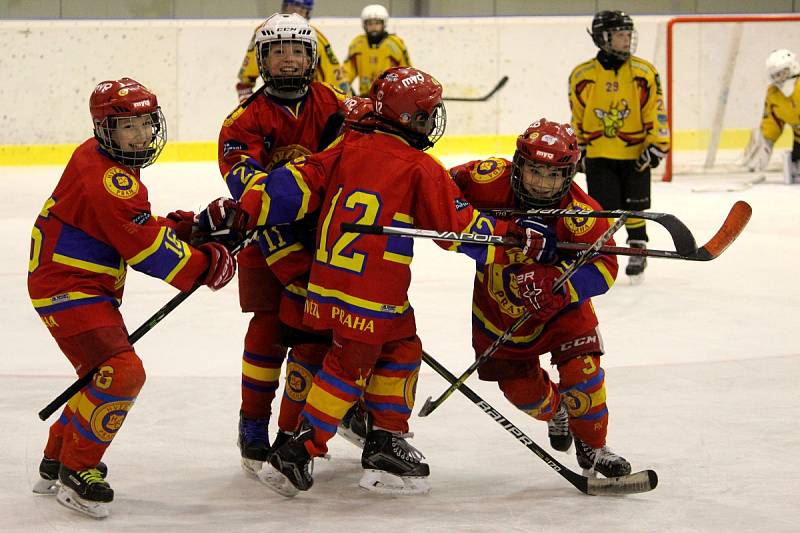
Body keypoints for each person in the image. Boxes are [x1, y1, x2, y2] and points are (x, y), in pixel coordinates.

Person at [233, 66, 557, 497]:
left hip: (327, 282)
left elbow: (295, 185)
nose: (432, 120)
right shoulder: (419, 166)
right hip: (371, 292)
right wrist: (514, 238)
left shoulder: (348, 145)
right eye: (428, 113)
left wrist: (239, 213)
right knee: (349, 365)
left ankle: (386, 441)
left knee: (403, 346)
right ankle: (297, 451)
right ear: (412, 119)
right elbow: (455, 228)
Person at [27, 78, 236, 518]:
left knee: (98, 373)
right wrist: (204, 264)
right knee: (121, 373)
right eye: (128, 125)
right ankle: (78, 469)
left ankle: (57, 457)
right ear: (106, 129)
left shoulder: (104, 163)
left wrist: (190, 227)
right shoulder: (108, 177)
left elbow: (128, 225)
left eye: (145, 122)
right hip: (68, 287)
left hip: (79, 284)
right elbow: (144, 248)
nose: (141, 134)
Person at [449, 118, 632, 479]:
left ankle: (594, 447)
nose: (541, 183)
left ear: (569, 175)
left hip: (561, 311)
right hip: (498, 312)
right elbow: (437, 190)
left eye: (553, 175)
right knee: (522, 393)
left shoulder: (581, 213)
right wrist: (481, 235)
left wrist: (559, 284)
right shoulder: (486, 179)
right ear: (518, 163)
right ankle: (558, 411)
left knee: (584, 371)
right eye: (534, 170)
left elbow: (606, 267)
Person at [218, 12, 347, 477]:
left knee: (326, 332)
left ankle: (322, 415)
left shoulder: (338, 105)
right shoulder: (242, 121)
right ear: (261, 59)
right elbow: (249, 189)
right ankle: (253, 420)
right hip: (265, 241)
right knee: (270, 330)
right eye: (276, 50)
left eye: (297, 50)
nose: (288, 59)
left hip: (325, 240)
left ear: (312, 57)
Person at [568, 10, 670, 282]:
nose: (627, 40)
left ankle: (638, 246)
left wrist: (658, 145)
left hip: (635, 153)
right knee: (604, 208)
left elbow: (656, 110)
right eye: (620, 35)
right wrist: (577, 149)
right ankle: (604, 252)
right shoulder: (582, 75)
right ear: (603, 37)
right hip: (599, 154)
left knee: (635, 206)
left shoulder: (644, 72)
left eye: (628, 34)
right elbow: (577, 116)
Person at [236, 0, 348, 102]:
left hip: (310, 105)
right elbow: (245, 80)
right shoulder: (265, 33)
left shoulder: (317, 38)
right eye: (293, 6)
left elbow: (336, 77)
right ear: (285, 7)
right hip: (273, 103)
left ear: (308, 13)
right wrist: (247, 104)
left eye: (302, 9)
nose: (297, 12)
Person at [740, 48, 800, 184]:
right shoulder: (773, 94)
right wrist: (764, 142)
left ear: (792, 68)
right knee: (795, 171)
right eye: (775, 75)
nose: (779, 78)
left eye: (782, 73)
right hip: (799, 140)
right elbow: (771, 121)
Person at [343, 4, 411, 97]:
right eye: (370, 24)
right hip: (365, 97)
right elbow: (346, 73)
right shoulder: (357, 44)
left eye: (377, 23)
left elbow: (407, 72)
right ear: (364, 25)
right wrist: (345, 90)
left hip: (390, 96)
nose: (374, 27)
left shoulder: (396, 45)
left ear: (384, 24)